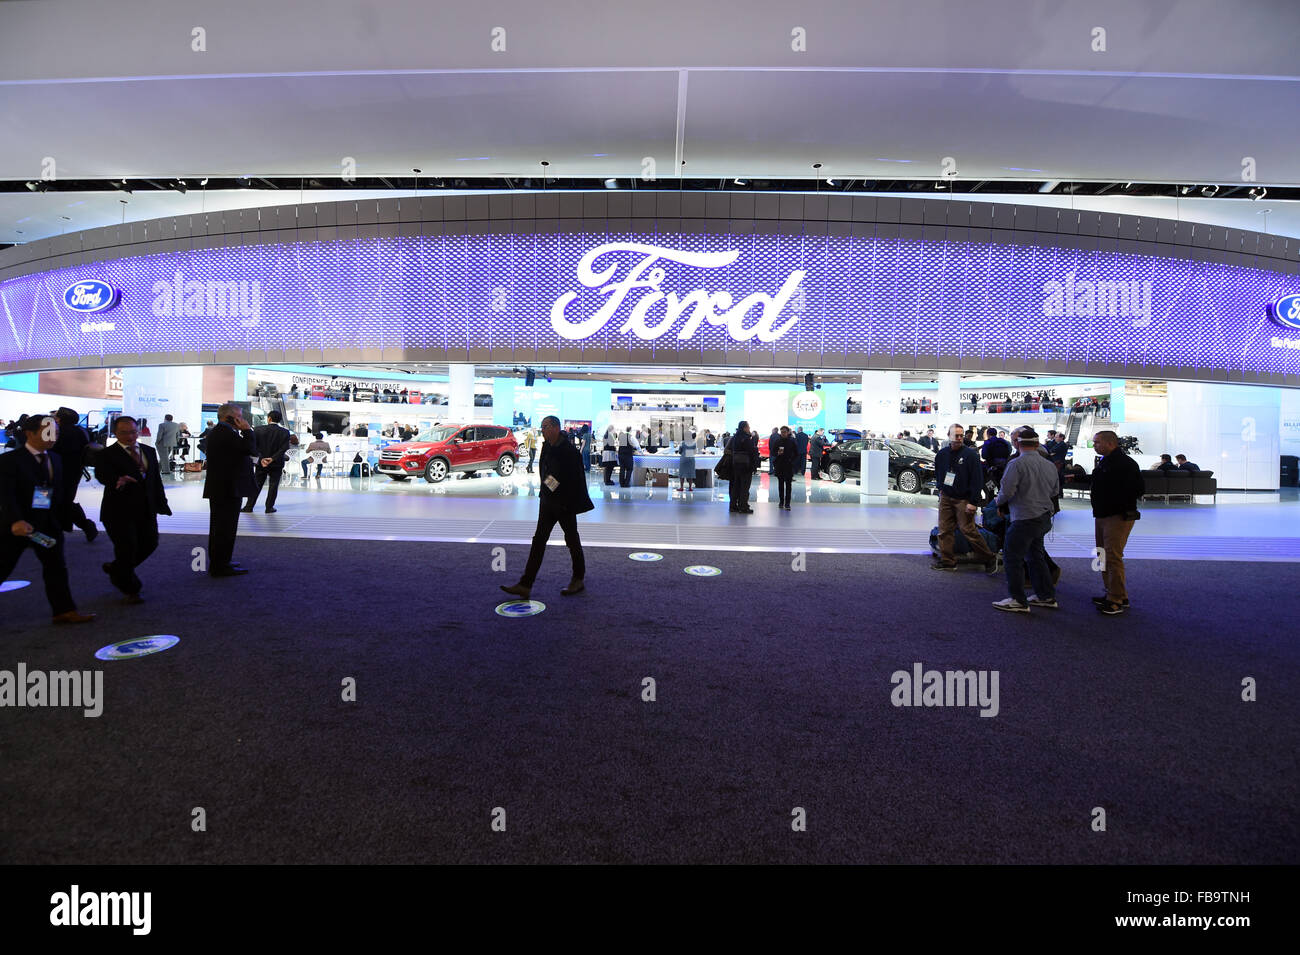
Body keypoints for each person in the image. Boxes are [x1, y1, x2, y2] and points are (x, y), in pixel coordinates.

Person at [0, 414, 96, 624]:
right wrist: (15, 520)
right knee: (3, 565)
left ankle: (64, 610)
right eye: (46, 432)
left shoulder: (55, 458)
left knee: (55, 566)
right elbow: (6, 495)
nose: (52, 437)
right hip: (16, 528)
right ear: (29, 433)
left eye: (56, 432)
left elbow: (52, 492)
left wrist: (58, 519)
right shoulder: (9, 461)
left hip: (44, 527)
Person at [500, 415, 592, 600]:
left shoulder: (568, 451)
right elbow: (546, 472)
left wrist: (549, 486)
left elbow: (571, 480)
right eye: (542, 426)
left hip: (564, 503)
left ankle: (578, 578)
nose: (543, 429)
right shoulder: (547, 446)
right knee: (539, 541)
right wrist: (546, 489)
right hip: (548, 502)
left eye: (546, 426)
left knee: (571, 539)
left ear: (556, 428)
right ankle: (525, 584)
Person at [95, 415, 172, 604]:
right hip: (118, 511)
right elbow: (102, 475)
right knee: (126, 548)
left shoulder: (148, 451)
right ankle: (131, 589)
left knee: (150, 543)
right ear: (115, 433)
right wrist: (117, 480)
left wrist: (161, 503)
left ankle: (117, 569)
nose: (130, 436)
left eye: (133, 432)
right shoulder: (108, 454)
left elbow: (155, 480)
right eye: (124, 433)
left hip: (146, 508)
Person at [991, 428, 1059, 613]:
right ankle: (1046, 596)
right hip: (1043, 516)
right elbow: (1054, 492)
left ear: (1018, 444)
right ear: (1037, 444)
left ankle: (1018, 600)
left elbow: (1007, 492)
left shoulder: (1016, 464)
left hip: (1024, 517)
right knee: (1036, 556)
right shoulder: (1049, 465)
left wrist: (997, 502)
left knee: (1012, 557)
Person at [932, 424, 1000, 573]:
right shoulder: (942, 454)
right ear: (948, 435)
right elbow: (938, 473)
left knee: (967, 529)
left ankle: (989, 557)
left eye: (961, 435)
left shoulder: (971, 455)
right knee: (944, 530)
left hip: (964, 499)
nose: (959, 438)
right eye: (956, 435)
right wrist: (941, 489)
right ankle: (948, 562)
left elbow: (977, 479)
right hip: (946, 497)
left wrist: (973, 502)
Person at [1090, 430, 1144, 615]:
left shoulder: (1125, 464)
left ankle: (1116, 600)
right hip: (1103, 514)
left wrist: (1113, 502)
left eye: (1097, 442)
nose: (1094, 445)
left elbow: (1137, 489)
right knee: (1103, 555)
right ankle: (1114, 593)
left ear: (1110, 443)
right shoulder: (1106, 462)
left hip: (1116, 516)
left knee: (1112, 556)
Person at [203, 403, 257, 577]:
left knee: (222, 527)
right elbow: (249, 449)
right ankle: (220, 565)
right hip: (227, 488)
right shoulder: (225, 434)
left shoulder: (221, 432)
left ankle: (222, 561)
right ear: (230, 417)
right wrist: (248, 431)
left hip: (224, 487)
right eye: (239, 416)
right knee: (224, 528)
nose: (242, 419)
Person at [51, 407, 99, 543]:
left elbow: (52, 450)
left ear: (59, 419)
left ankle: (86, 526)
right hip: (74, 473)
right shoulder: (82, 431)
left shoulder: (58, 432)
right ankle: (85, 526)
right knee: (63, 501)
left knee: (54, 501)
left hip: (56, 473)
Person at [243, 410, 292, 513]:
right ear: (279, 420)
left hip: (261, 463)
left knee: (257, 484)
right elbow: (284, 448)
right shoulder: (285, 432)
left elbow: (253, 447)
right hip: (277, 463)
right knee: (273, 485)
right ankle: (269, 507)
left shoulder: (257, 430)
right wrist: (273, 458)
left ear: (269, 418)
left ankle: (249, 506)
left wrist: (262, 458)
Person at [726, 420, 758, 514]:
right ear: (744, 428)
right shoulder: (747, 439)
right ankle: (743, 506)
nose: (749, 429)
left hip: (736, 464)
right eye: (748, 427)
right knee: (744, 487)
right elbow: (751, 452)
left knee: (735, 486)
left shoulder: (735, 437)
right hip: (746, 465)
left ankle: (733, 506)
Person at [770, 425, 798, 509]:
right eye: (781, 432)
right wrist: (777, 454)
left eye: (784, 432)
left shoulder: (792, 441)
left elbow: (796, 453)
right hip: (780, 465)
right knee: (780, 484)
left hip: (788, 466)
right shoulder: (777, 441)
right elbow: (773, 452)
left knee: (788, 485)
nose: (783, 434)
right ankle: (781, 502)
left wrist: (792, 461)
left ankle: (787, 503)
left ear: (788, 432)